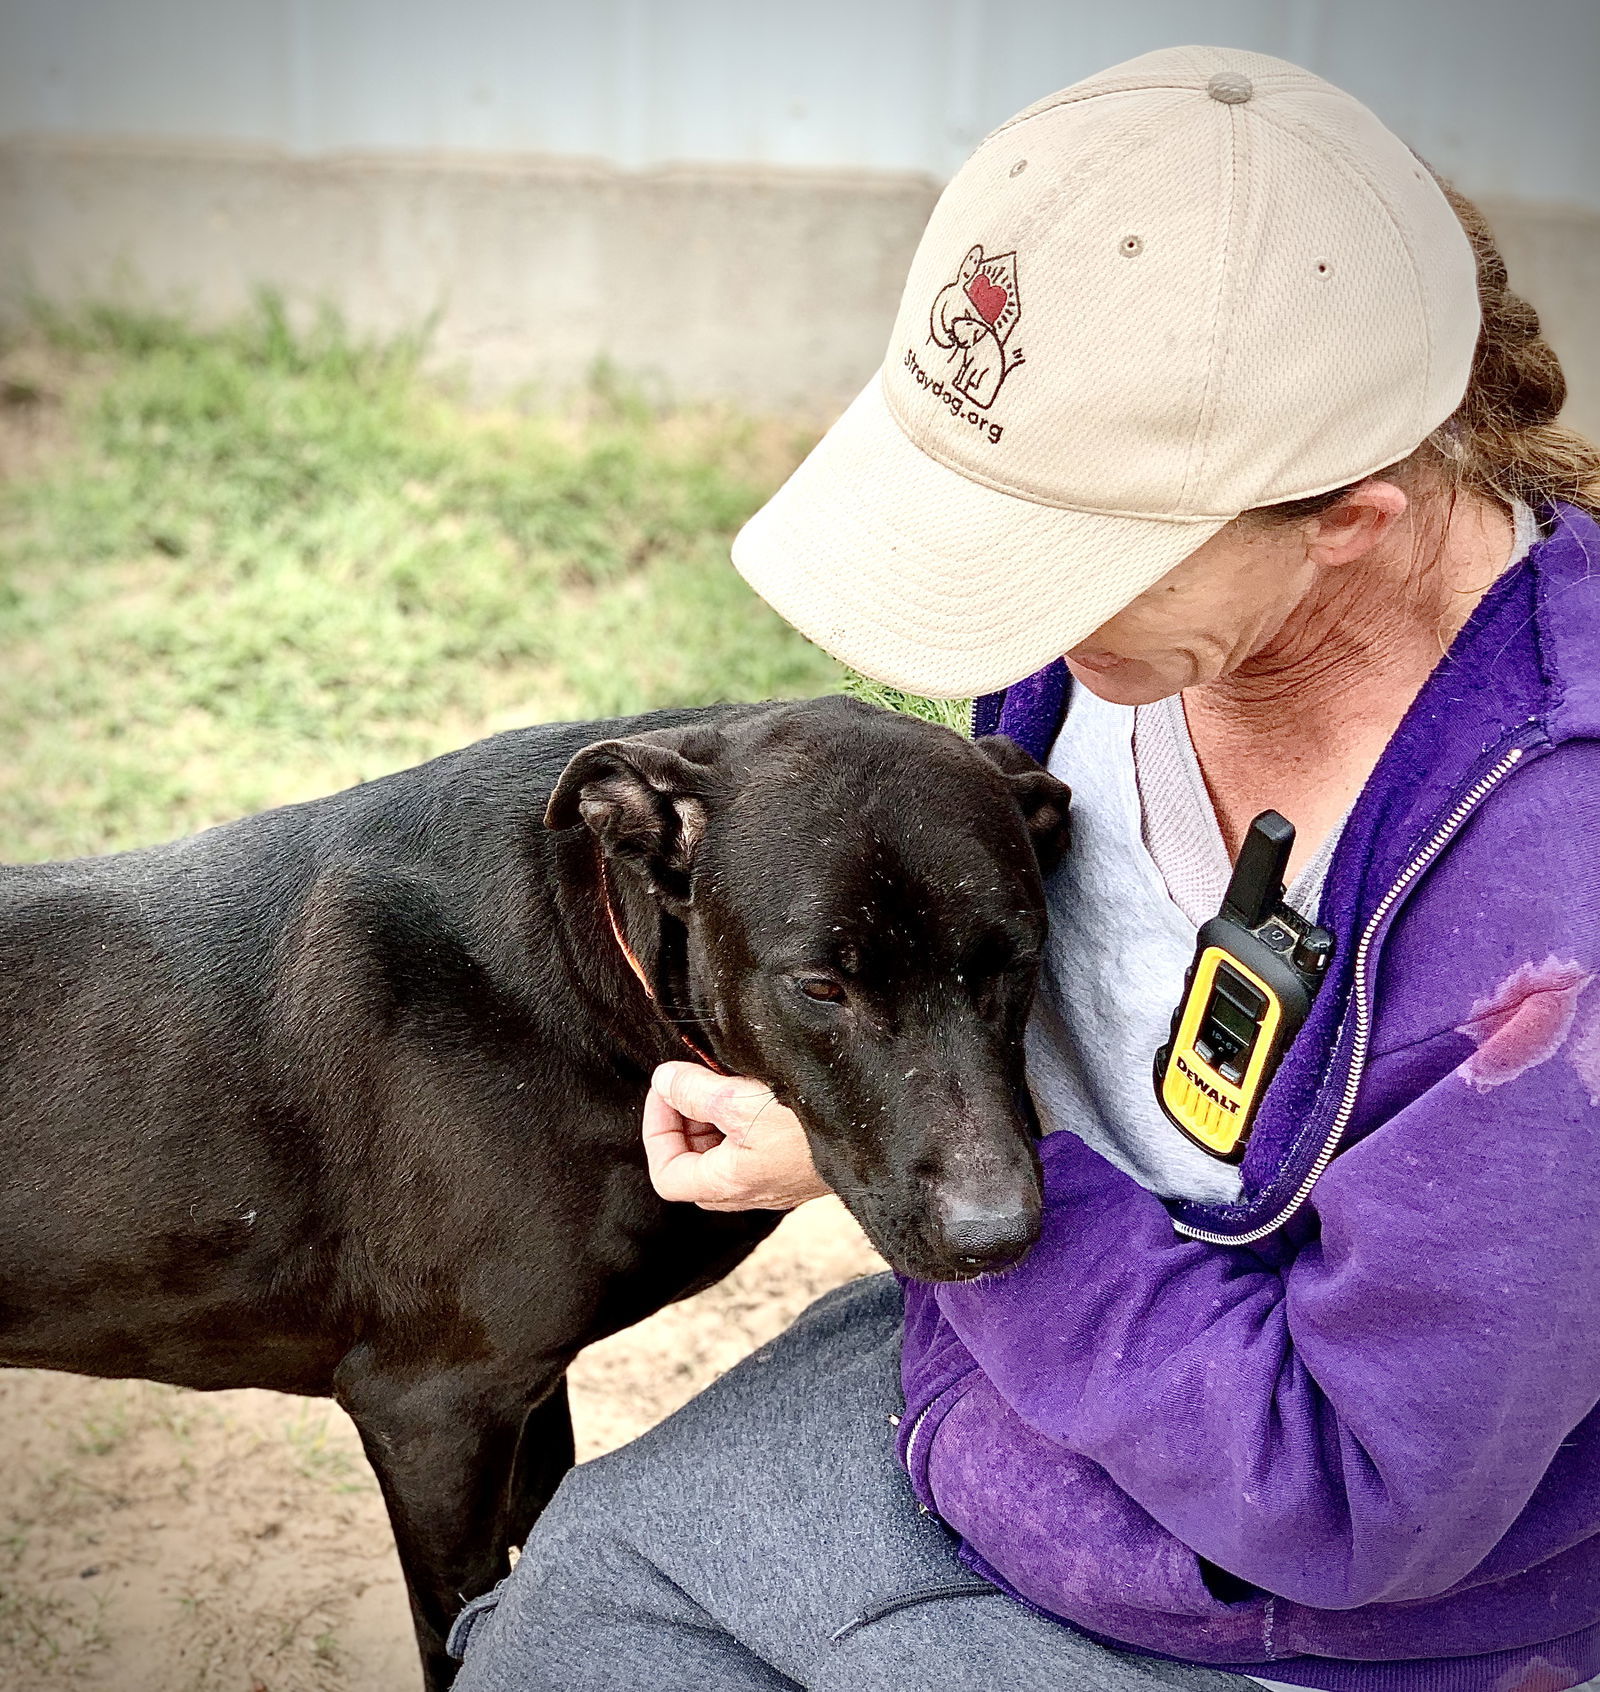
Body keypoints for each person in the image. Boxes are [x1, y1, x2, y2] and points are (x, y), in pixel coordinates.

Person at [450, 45, 1600, 1692]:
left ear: (1350, 516)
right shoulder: (1099, 668)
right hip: (1004, 1398)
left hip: (1326, 1619)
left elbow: (1362, 1500)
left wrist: (966, 1209)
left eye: (1069, 554)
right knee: (565, 1633)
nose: (1006, 619)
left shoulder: (1549, 899)